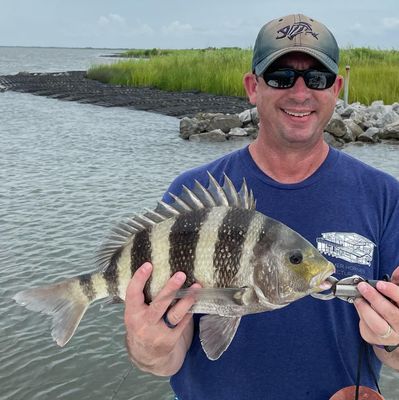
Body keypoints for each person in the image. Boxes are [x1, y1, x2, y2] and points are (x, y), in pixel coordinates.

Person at [123, 14, 399, 399]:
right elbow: (167, 354)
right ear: (253, 87)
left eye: (317, 78)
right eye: (281, 77)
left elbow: (393, 354)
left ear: (336, 89)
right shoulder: (194, 192)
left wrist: (394, 339)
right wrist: (148, 349)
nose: (300, 93)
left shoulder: (385, 196)